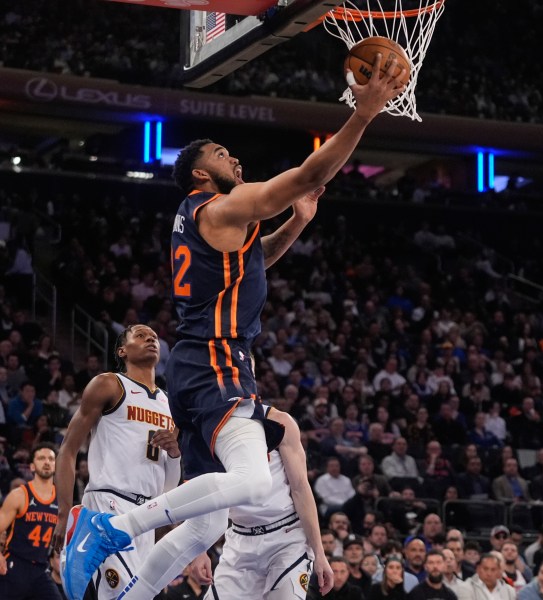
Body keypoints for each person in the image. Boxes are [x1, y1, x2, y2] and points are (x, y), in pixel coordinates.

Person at [61, 60, 407, 600]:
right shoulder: (219, 207)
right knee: (253, 481)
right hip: (214, 362)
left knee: (206, 525)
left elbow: (256, 262)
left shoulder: (205, 222)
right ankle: (112, 528)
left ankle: (129, 597)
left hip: (199, 365)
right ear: (201, 173)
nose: (234, 157)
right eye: (222, 154)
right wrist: (362, 115)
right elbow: (309, 175)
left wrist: (295, 224)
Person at [53, 325, 182, 600]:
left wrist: (174, 454)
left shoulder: (170, 404)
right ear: (122, 351)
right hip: (108, 503)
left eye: (155, 337)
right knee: (120, 594)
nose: (151, 339)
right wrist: (64, 511)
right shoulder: (109, 384)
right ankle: (81, 525)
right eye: (141, 335)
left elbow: (169, 481)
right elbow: (68, 449)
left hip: (146, 513)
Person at [190, 408, 334, 599]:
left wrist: (319, 553)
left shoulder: (279, 420)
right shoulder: (202, 425)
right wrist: (199, 550)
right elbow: (199, 493)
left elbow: (300, 488)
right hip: (240, 540)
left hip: (286, 537)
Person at [0, 442, 62, 600]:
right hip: (15, 565)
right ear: (32, 466)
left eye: (51, 459)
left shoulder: (62, 499)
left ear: (56, 465)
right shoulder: (19, 495)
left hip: (41, 568)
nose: (47, 462)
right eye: (41, 458)